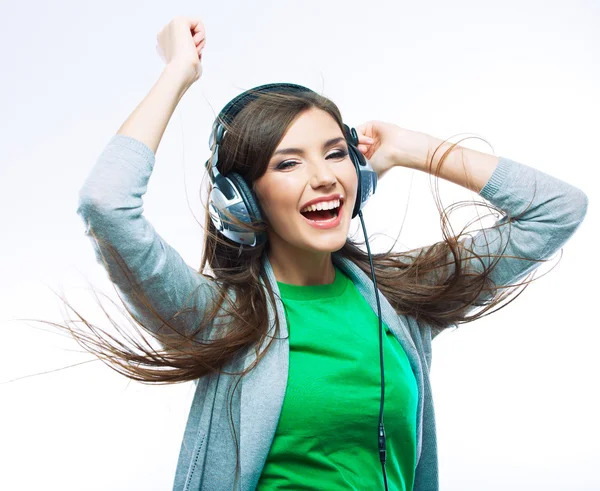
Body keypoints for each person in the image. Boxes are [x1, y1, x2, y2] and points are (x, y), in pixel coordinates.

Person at [70, 16, 588, 491]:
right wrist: (179, 72)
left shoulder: (399, 304)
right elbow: (106, 204)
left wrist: (411, 148)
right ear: (244, 199)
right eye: (287, 164)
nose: (323, 177)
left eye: (336, 154)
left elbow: (558, 210)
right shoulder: (219, 316)